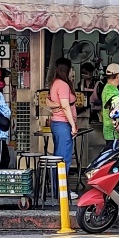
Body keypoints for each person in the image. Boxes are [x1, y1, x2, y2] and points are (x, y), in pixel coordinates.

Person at [48, 57, 78, 201]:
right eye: (71, 69)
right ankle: (61, 192)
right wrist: (73, 125)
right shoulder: (63, 85)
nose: (73, 72)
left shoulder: (56, 83)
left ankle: (58, 189)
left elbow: (50, 101)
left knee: (58, 157)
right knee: (63, 159)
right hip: (63, 124)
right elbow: (66, 106)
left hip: (57, 124)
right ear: (67, 70)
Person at [101, 64, 119, 150]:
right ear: (118, 76)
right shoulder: (111, 90)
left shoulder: (110, 88)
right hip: (113, 133)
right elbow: (113, 111)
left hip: (112, 132)